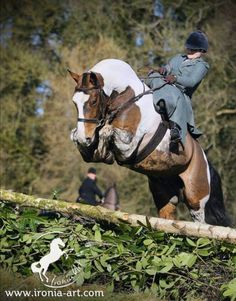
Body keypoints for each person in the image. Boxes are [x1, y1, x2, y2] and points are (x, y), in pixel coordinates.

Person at [145, 30, 209, 151]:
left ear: (201, 51)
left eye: (193, 50)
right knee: (153, 76)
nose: (189, 51)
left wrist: (175, 78)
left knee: (171, 91)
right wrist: (164, 69)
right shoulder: (178, 57)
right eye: (189, 48)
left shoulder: (202, 66)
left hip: (181, 93)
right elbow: (169, 67)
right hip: (166, 84)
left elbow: (192, 81)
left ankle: (176, 128)